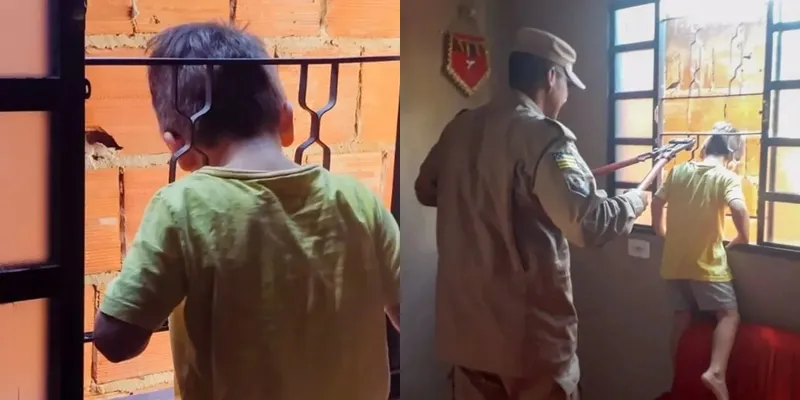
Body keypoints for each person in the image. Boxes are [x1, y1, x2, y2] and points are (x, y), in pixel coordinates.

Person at [93, 22, 400, 400]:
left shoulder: (181, 209)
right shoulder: (358, 200)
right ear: (286, 119)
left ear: (178, 146)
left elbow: (115, 340)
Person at [415, 27, 649, 400]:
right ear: (551, 76)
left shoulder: (461, 127)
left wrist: (481, 194)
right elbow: (587, 224)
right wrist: (635, 201)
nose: (567, 95)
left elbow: (426, 189)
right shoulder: (543, 136)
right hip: (526, 344)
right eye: (567, 83)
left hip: (467, 338)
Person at [651, 122, 749, 400]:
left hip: (673, 263)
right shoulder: (725, 177)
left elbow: (656, 202)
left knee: (681, 316)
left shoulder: (679, 171)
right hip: (706, 265)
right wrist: (742, 236)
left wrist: (660, 231)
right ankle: (716, 371)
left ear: (706, 146)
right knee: (728, 314)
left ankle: (679, 371)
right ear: (732, 154)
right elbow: (739, 207)